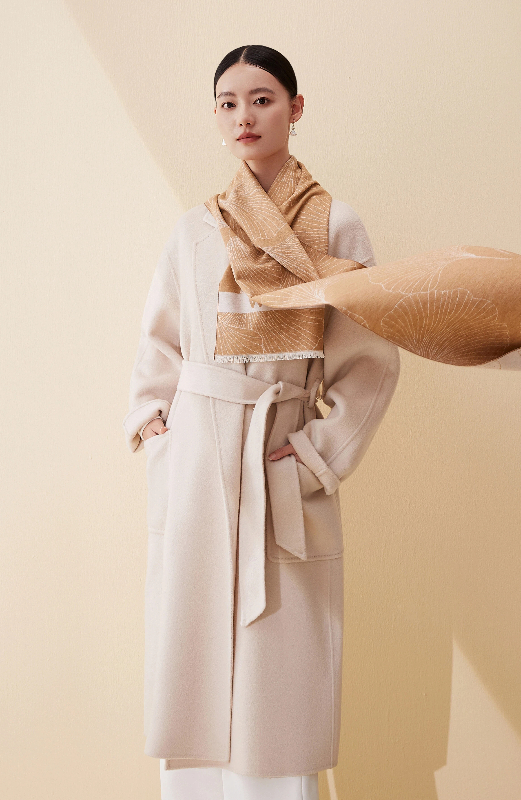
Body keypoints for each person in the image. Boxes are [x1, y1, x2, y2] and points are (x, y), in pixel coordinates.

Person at [123, 45, 401, 799]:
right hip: (195, 467)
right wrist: (156, 431)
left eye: (262, 98)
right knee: (193, 661)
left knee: (280, 675)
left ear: (295, 108)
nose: (243, 116)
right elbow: (159, 343)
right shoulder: (194, 230)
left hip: (278, 461)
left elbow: (369, 364)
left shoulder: (337, 226)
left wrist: (313, 457)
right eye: (228, 102)